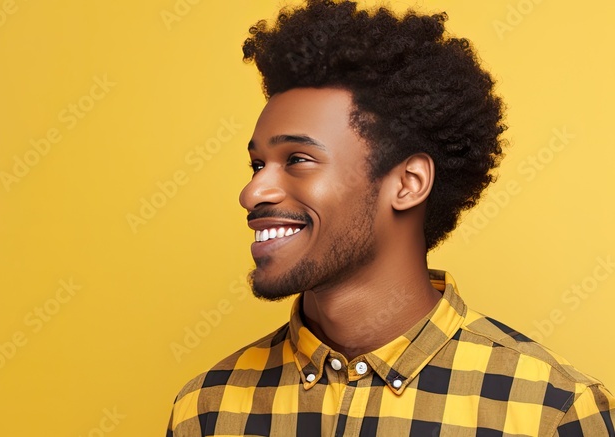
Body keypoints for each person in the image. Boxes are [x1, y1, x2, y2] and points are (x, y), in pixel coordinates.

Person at [165, 1, 614, 435]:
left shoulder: (551, 412)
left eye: (298, 159)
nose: (251, 193)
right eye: (257, 165)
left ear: (408, 183)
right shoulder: (207, 409)